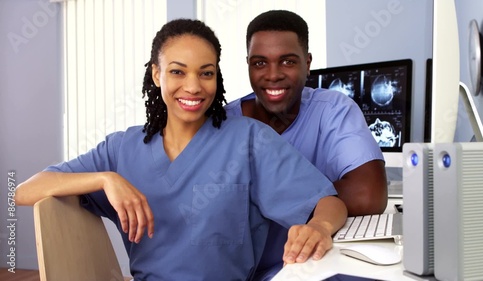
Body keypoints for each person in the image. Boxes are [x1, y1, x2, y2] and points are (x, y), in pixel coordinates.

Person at [15, 19, 347, 280]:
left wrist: (318, 227)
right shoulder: (121, 150)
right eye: (177, 71)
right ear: (157, 74)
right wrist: (105, 180)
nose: (193, 86)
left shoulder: (248, 140)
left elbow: (328, 202)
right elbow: (25, 190)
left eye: (206, 73)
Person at [224, 10, 388, 278]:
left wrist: (273, 200)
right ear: (248, 65)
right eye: (259, 63)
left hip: (310, 263)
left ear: (308, 63)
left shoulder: (332, 110)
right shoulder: (223, 124)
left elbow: (368, 195)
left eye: (287, 62)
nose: (273, 75)